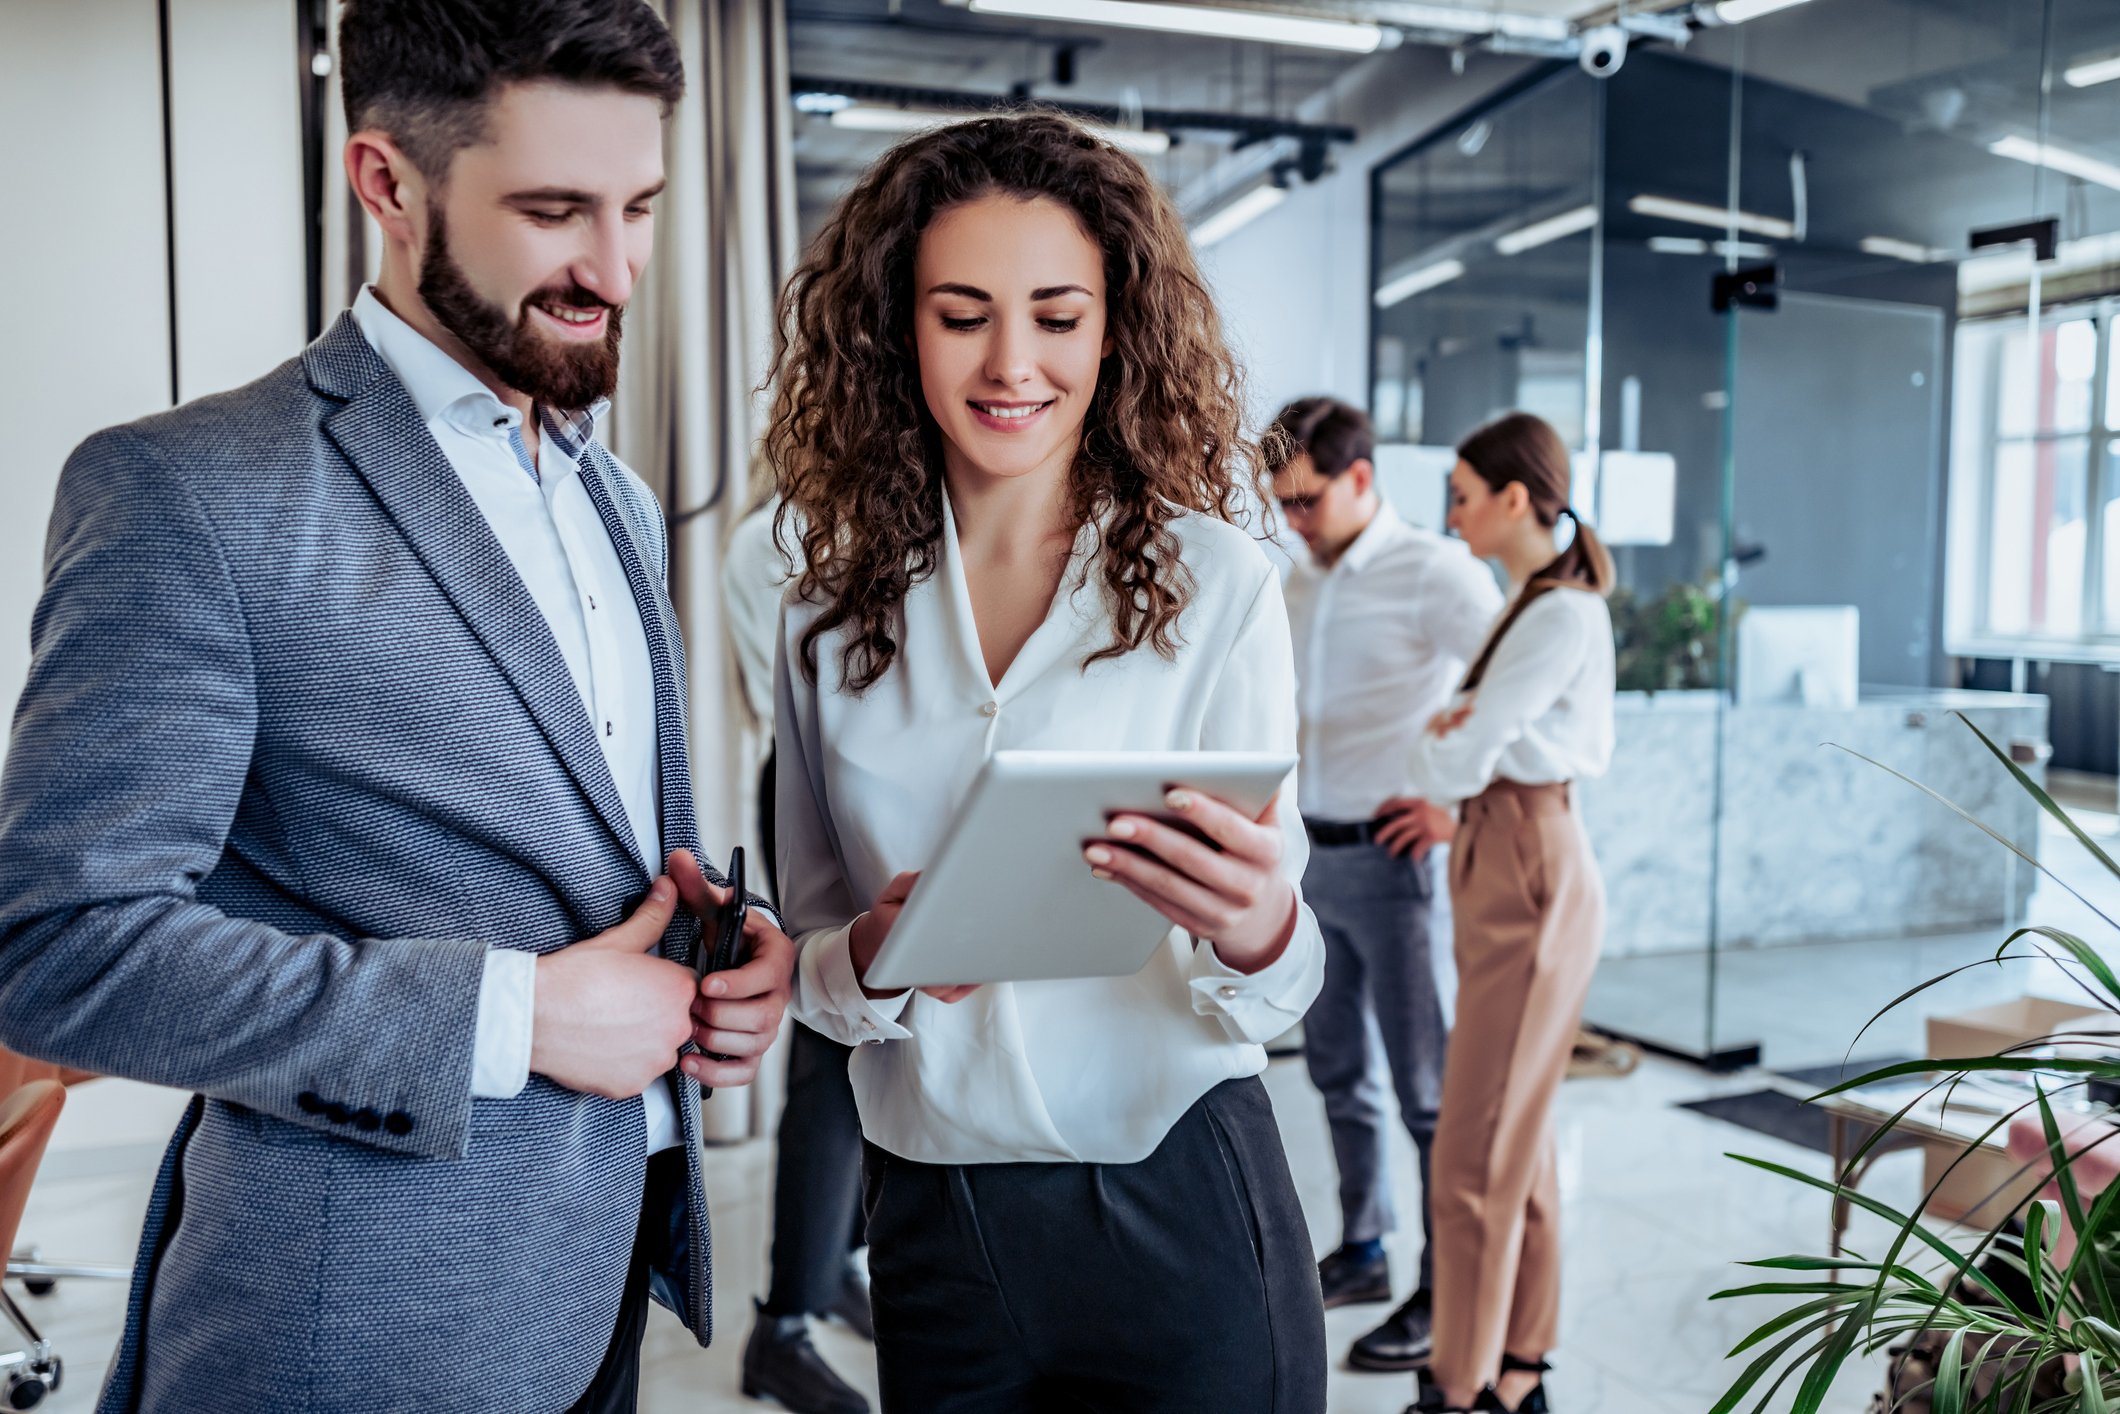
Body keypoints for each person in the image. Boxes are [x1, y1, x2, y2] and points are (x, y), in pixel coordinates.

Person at [0, 3, 797, 1410]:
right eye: (555, 211)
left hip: (598, 1288)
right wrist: (514, 1015)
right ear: (385, 182)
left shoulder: (611, 495)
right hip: (355, 1332)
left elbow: (572, 849)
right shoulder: (191, 494)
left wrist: (725, 954)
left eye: (642, 207)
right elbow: (60, 947)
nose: (616, 270)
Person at [763, 112, 1329, 1412]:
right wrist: (870, 958)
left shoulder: (1219, 584)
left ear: (1117, 328)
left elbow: (1283, 978)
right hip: (935, 1222)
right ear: (895, 328)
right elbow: (811, 953)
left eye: (1057, 315)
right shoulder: (826, 611)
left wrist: (1256, 923)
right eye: (962, 313)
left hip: (1180, 1192)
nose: (1010, 361)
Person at [1268, 396, 1503, 1372]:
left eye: (1306, 499)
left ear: (1359, 479)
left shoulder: (1433, 572)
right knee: (1336, 1074)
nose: (1291, 518)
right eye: (1279, 502)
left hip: (1397, 861)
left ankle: (1445, 1287)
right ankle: (1362, 1245)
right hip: (1309, 858)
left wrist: (1455, 806)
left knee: (1423, 1090)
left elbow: (1517, 687)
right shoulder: (1295, 582)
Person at [1399, 413, 1616, 1414]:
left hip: (1523, 854)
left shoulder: (1557, 612)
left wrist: (1449, 737)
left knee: (1472, 1150)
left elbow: (1458, 747)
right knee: (1511, 1137)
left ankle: (1456, 1388)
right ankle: (1517, 1365)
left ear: (1514, 498)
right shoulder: (1532, 600)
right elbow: (1461, 743)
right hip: (1506, 846)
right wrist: (1453, 739)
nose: (1451, 514)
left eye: (1460, 493)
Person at [722, 498, 875, 1414]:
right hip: (820, 776)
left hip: (845, 775)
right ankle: (781, 1328)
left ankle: (836, 1266)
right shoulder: (778, 540)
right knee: (832, 1050)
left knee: (880, 1040)